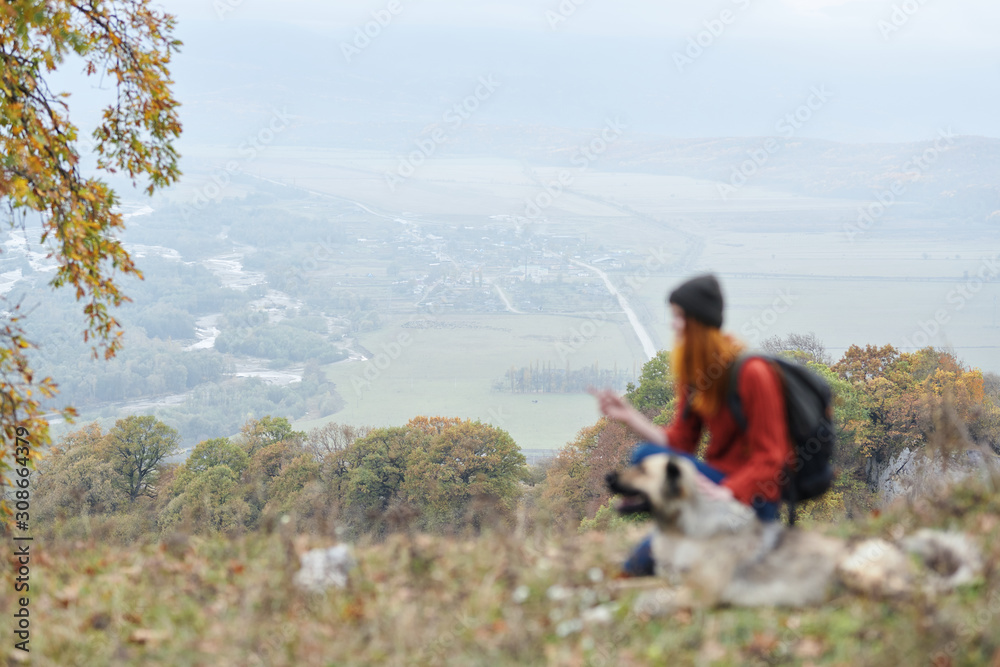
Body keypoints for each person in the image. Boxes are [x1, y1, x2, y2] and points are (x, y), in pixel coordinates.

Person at [592, 273, 792, 576]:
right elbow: (681, 442)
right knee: (644, 456)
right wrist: (630, 417)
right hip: (715, 484)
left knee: (646, 462)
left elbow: (773, 457)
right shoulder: (696, 373)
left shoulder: (752, 373)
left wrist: (728, 491)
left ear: (698, 321)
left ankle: (682, 538)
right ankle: (679, 535)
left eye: (679, 317)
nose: (673, 325)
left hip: (754, 497)